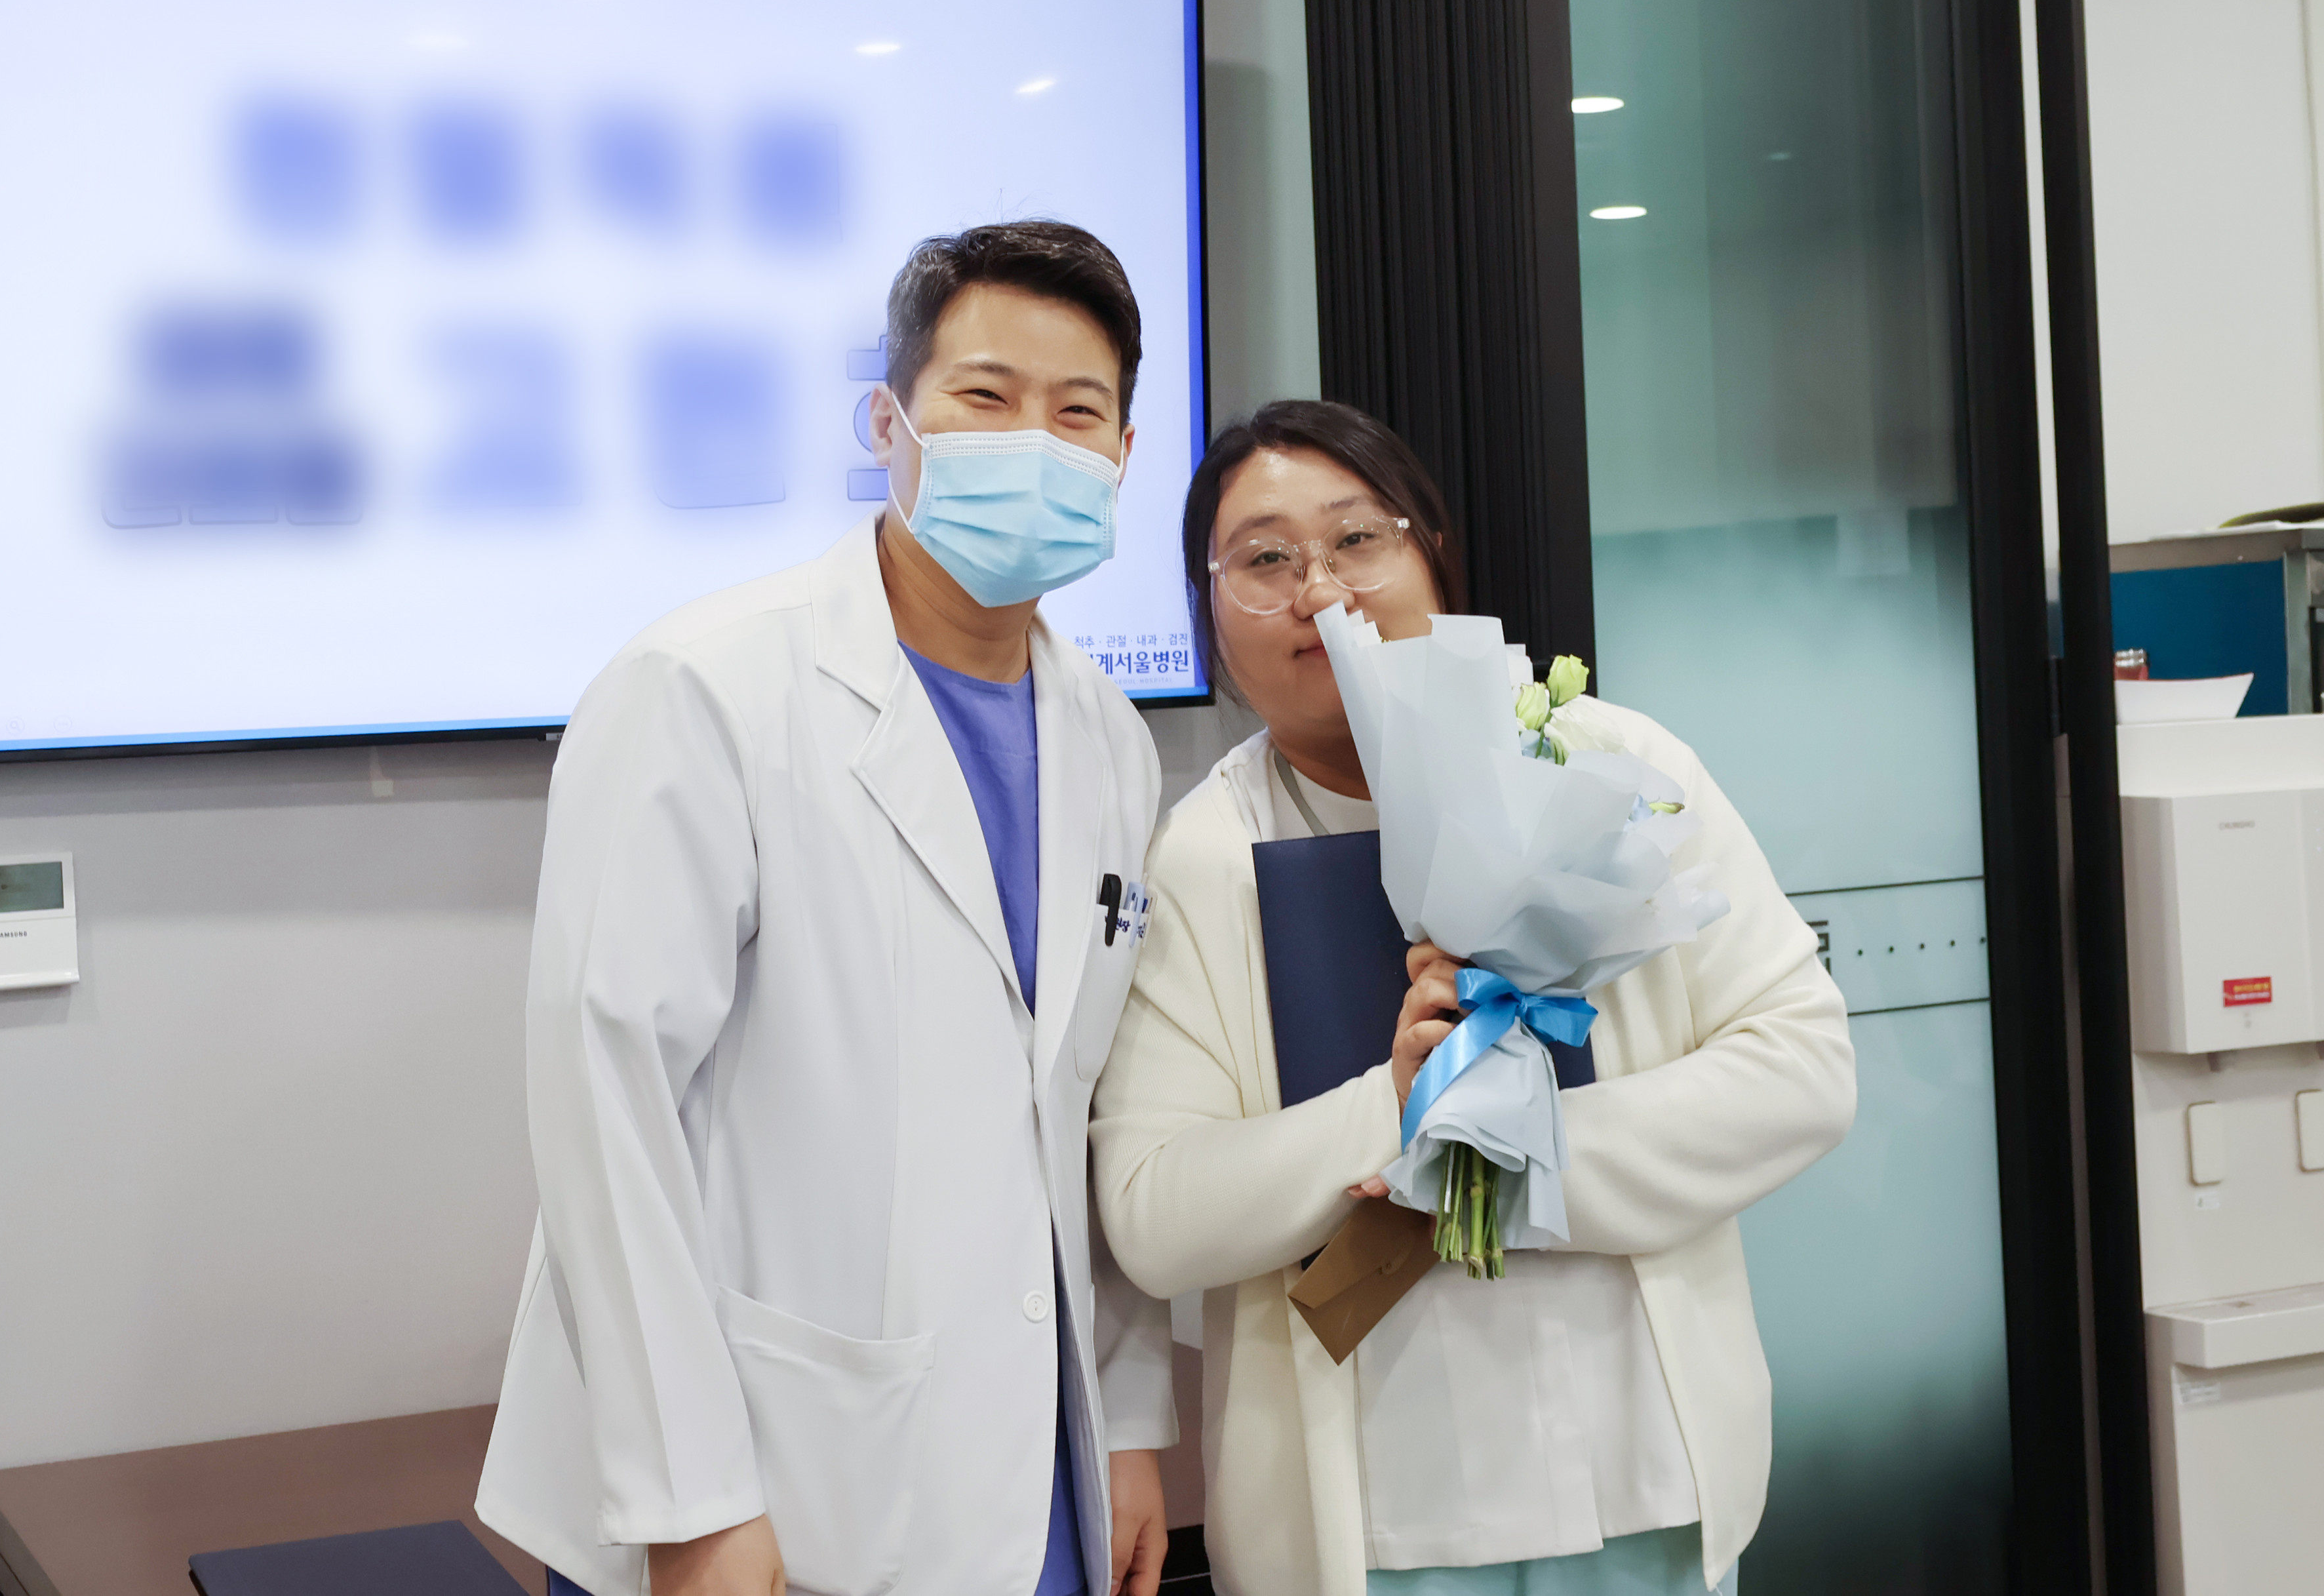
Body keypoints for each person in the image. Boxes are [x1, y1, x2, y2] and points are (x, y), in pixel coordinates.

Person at [477, 222, 1175, 1596]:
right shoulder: (705, 686)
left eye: (1076, 413)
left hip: (1027, 1462)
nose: (1032, 443)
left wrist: (1132, 1415)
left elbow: (1084, 1109)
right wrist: (692, 1498)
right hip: (764, 1479)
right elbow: (603, 1101)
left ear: (1123, 455)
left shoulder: (1110, 738)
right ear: (887, 422)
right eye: (985, 396)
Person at [1090, 401, 1855, 1596]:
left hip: (1650, 1482)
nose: (1319, 591)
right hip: (1368, 1538)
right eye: (1265, 560)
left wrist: (1509, 1149)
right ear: (1210, 613)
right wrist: (1394, 1107)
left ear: (1433, 554)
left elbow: (1804, 1071)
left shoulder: (1618, 769)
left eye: (1357, 539)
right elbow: (1153, 1214)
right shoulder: (1199, 859)